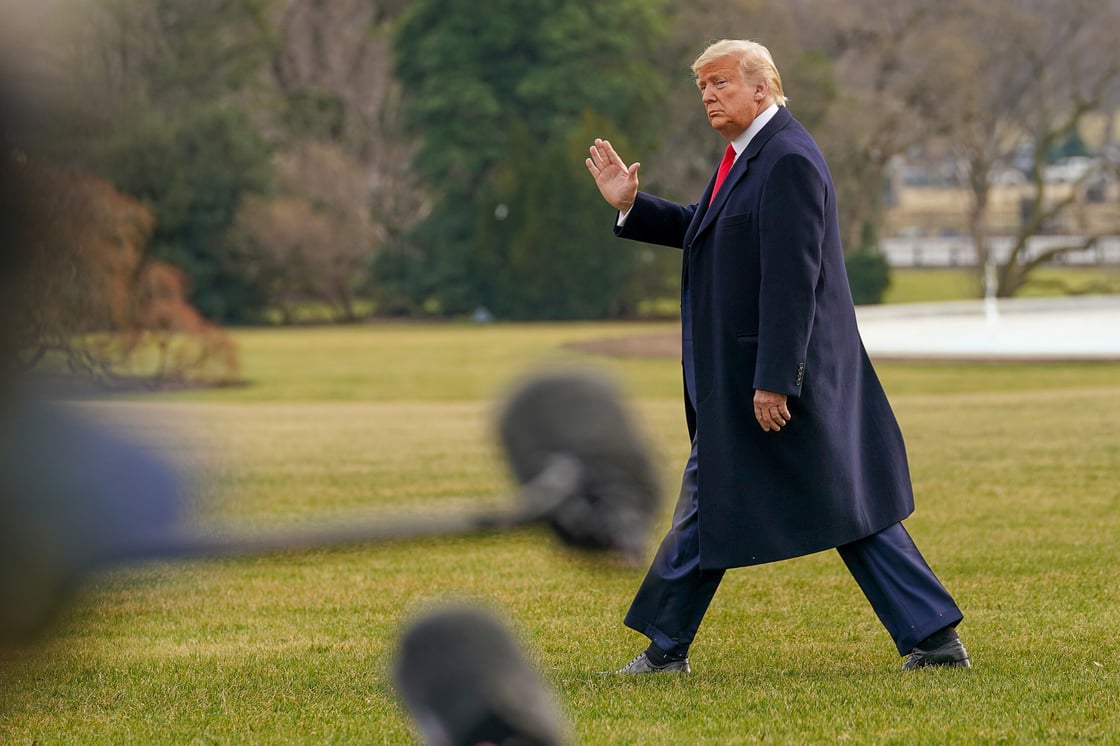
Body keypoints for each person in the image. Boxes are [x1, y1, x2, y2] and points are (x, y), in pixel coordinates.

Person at [584, 39, 969, 673]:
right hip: (757, 373)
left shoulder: (786, 158)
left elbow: (795, 278)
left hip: (775, 377)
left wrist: (775, 381)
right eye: (702, 85)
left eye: (721, 83)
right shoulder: (745, 156)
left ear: (762, 88)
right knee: (835, 503)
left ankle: (664, 649)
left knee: (756, 501)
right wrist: (629, 205)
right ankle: (932, 636)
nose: (708, 95)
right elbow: (705, 231)